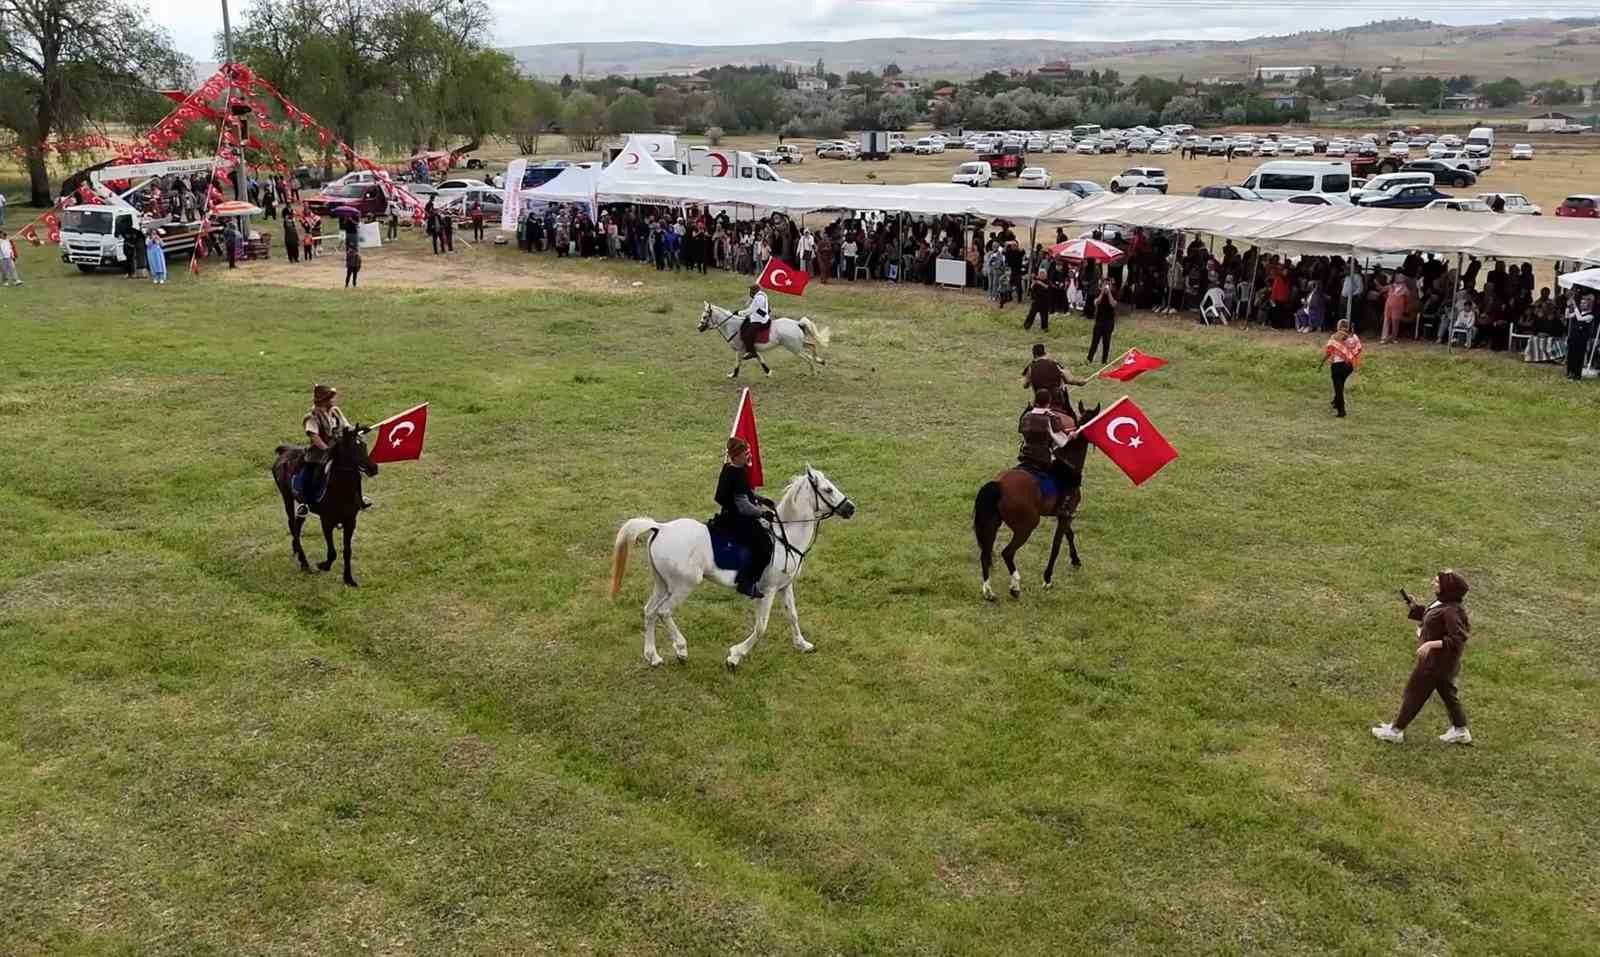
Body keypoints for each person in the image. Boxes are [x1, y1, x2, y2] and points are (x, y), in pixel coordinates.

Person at [1372, 571, 1473, 745]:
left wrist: (1430, 644)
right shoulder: (1442, 602)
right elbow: (1430, 618)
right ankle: (1461, 731)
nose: (1433, 583)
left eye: (1437, 581)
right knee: (1449, 696)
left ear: (1448, 588)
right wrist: (1414, 606)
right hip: (1444, 665)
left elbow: (1457, 639)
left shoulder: (1451, 611)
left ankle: (1396, 731)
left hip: (1435, 664)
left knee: (1414, 693)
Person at [712, 437, 775, 599]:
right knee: (765, 547)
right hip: (737, 520)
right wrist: (762, 513)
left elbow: (743, 492)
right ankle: (746, 583)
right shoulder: (737, 473)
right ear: (737, 455)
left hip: (728, 515)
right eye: (745, 453)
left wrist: (761, 499)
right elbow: (743, 505)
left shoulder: (730, 469)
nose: (748, 456)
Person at [296, 384, 370, 518]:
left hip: (339, 450)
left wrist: (359, 430)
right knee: (311, 474)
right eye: (331, 398)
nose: (333, 401)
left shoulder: (335, 411)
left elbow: (347, 428)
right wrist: (327, 449)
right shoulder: (311, 417)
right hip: (319, 454)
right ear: (325, 399)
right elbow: (315, 437)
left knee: (355, 470)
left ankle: (359, 498)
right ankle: (305, 503)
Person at [1017, 388, 1078, 512]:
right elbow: (1061, 442)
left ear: (1035, 401)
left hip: (1025, 456)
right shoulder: (1050, 418)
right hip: (1042, 459)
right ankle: (1062, 506)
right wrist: (1070, 436)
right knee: (1071, 475)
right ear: (1048, 402)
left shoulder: (1026, 416)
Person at [1318, 319, 1363, 418]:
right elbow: (1358, 349)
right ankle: (1335, 401)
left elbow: (1329, 352)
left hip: (1337, 365)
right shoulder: (1353, 337)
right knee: (1341, 384)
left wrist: (1321, 363)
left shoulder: (1334, 337)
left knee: (1338, 388)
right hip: (1349, 365)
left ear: (1338, 326)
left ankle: (1341, 410)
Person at [1023, 342, 1086, 409]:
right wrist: (1079, 383)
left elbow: (1025, 385)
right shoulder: (1055, 364)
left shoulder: (1030, 367)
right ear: (1044, 353)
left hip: (1040, 401)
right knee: (1071, 416)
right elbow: (1069, 380)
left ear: (1034, 355)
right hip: (1057, 400)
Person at [1087, 279, 1118, 364]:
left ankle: (1104, 360)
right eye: (1105, 284)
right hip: (1099, 321)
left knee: (1106, 342)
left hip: (1109, 321)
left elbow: (1113, 304)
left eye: (1109, 284)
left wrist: (1109, 294)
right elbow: (1096, 302)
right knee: (1095, 341)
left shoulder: (1114, 293)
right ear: (1101, 286)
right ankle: (1089, 358)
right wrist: (1102, 293)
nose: (1107, 286)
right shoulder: (1098, 292)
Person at [1567, 293, 1596, 381]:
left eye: (1584, 303)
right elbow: (1568, 316)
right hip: (1573, 337)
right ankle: (1570, 373)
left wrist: (1575, 306)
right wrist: (1568, 307)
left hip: (1581, 340)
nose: (1582, 304)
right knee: (1571, 356)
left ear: (1589, 305)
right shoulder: (1578, 312)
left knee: (1578, 357)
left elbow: (1580, 318)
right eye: (1581, 303)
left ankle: (1577, 376)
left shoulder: (1590, 315)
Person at [1023, 267, 1054, 332]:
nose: (1042, 275)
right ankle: (1026, 325)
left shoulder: (1048, 281)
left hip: (1045, 301)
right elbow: (1031, 289)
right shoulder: (1036, 280)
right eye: (1040, 274)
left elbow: (1048, 287)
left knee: (1044, 315)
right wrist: (1033, 284)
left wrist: (1040, 283)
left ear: (1046, 275)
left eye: (1043, 274)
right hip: (1036, 300)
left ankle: (1044, 328)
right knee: (1032, 314)